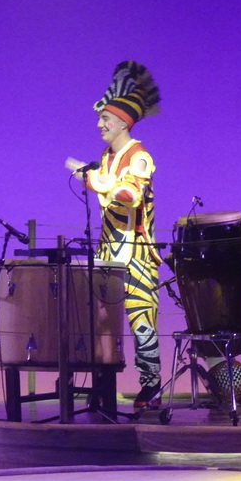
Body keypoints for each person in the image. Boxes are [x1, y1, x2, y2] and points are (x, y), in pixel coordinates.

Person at [66, 61, 162, 409]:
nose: (99, 124)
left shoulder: (139, 156)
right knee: (101, 320)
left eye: (105, 119)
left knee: (141, 322)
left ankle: (151, 385)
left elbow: (130, 195)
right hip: (109, 251)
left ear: (123, 121)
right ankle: (102, 387)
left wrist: (91, 179)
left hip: (136, 255)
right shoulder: (107, 157)